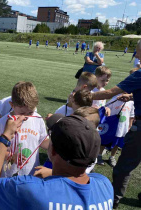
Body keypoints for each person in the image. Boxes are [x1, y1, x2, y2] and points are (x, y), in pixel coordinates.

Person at [0, 115, 113, 209]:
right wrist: (51, 173)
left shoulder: (30, 188)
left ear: (53, 151)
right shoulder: (105, 185)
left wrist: (5, 137)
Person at [92, 39, 141, 209]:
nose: (136, 54)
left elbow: (111, 92)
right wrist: (132, 96)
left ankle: (113, 201)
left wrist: (86, 96)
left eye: (137, 50)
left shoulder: (139, 74)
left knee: (124, 167)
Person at [0, 81, 48, 177]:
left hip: (31, 175)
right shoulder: (2, 123)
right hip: (8, 175)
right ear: (12, 105)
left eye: (30, 112)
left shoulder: (37, 119)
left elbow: (43, 140)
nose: (26, 117)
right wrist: (11, 157)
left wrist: (54, 145)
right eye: (22, 113)